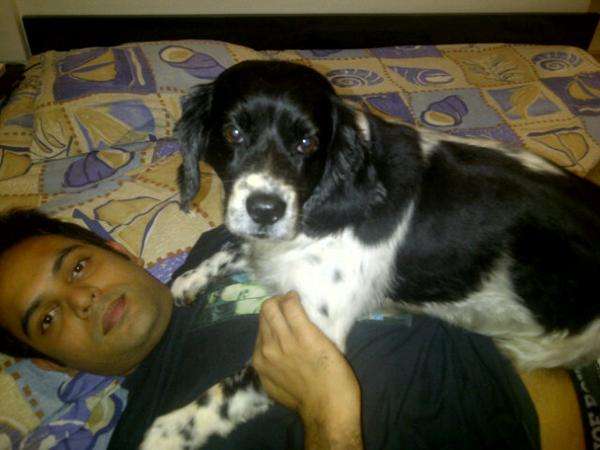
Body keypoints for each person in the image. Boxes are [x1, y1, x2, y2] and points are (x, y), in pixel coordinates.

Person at [0, 209, 589, 450]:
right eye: (47, 318)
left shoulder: (225, 238)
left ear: (116, 250)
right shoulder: (152, 439)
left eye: (77, 267)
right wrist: (326, 412)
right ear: (51, 363)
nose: (82, 299)